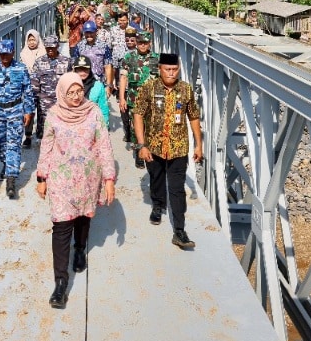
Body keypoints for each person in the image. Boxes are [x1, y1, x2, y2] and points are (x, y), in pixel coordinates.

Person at [36, 72, 116, 309]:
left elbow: (104, 145)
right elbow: (46, 147)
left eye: (79, 91)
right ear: (62, 93)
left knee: (82, 218)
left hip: (88, 178)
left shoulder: (93, 112)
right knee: (61, 227)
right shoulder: (53, 114)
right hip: (61, 180)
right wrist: (42, 177)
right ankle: (60, 283)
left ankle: (80, 248)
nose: (75, 96)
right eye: (70, 92)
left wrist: (109, 179)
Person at [133, 53, 203, 250]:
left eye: (174, 70)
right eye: (167, 70)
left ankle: (179, 231)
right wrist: (141, 145)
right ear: (160, 69)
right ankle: (158, 205)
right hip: (154, 145)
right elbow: (138, 114)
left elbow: (194, 116)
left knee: (177, 188)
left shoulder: (186, 89)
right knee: (156, 178)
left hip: (178, 148)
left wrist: (199, 144)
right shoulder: (149, 87)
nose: (171, 73)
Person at [0, 39, 36, 199]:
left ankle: (11, 180)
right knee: (1, 144)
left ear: (13, 53)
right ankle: (6, 163)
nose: (5, 57)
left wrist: (29, 111)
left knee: (13, 144)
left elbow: (28, 91)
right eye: (2, 54)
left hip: (15, 111)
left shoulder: (21, 69)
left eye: (7, 54)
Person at [119, 30, 160, 167]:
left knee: (150, 126)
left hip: (152, 101)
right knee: (135, 127)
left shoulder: (156, 58)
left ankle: (149, 150)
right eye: (140, 42)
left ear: (150, 43)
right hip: (134, 99)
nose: (142, 45)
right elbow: (123, 77)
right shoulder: (129, 58)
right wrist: (122, 98)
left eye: (145, 43)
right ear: (136, 43)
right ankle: (139, 153)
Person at [30, 35, 72, 143]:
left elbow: (70, 82)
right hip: (44, 104)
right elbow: (34, 84)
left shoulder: (66, 61)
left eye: (52, 47)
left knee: (61, 132)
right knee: (44, 134)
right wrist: (32, 104)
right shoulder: (39, 62)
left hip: (61, 103)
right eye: (47, 47)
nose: (50, 50)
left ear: (57, 46)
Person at [70, 21, 114, 97]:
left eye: (91, 32)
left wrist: (108, 85)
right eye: (87, 33)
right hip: (83, 84)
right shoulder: (78, 47)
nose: (89, 35)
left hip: (99, 83)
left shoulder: (104, 46)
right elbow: (74, 67)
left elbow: (108, 66)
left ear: (96, 32)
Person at [71, 55, 110, 127]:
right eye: (79, 69)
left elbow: (103, 109)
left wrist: (104, 127)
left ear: (90, 69)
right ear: (75, 70)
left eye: (85, 69)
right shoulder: (69, 85)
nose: (82, 72)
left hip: (92, 125)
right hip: (73, 124)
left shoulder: (98, 86)